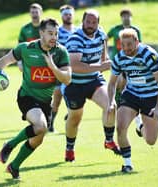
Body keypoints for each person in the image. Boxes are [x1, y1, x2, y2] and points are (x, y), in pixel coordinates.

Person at [0, 18, 71, 179]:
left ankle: (14, 166)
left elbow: (67, 79)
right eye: (50, 33)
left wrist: (52, 66)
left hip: (45, 102)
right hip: (27, 97)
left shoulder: (61, 52)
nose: (54, 37)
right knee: (40, 126)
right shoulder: (26, 48)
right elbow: (5, 60)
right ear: (41, 33)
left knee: (38, 139)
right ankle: (10, 144)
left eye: (56, 34)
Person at [63, 9, 120, 162]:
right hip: (74, 84)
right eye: (88, 21)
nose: (90, 25)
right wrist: (100, 67)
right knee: (75, 119)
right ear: (82, 21)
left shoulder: (101, 33)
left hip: (94, 80)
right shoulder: (75, 39)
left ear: (98, 23)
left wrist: (106, 62)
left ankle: (108, 140)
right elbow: (74, 66)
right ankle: (69, 148)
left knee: (111, 105)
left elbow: (104, 55)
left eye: (94, 22)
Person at [107, 28, 158, 173]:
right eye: (123, 45)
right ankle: (127, 163)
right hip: (132, 95)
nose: (126, 48)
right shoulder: (119, 58)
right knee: (120, 127)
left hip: (151, 97)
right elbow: (111, 83)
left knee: (150, 140)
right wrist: (111, 102)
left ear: (137, 41)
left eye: (129, 44)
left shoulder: (149, 54)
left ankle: (139, 125)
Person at [107, 8, 143, 128]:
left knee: (128, 86)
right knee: (117, 85)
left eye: (128, 16)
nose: (126, 18)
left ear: (131, 17)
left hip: (131, 63)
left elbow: (140, 46)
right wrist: (105, 55)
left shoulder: (136, 30)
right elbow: (105, 39)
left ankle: (130, 111)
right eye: (123, 16)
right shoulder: (115, 29)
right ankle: (118, 107)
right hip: (117, 62)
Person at [49, 4, 77, 132]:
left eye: (70, 14)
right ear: (61, 16)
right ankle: (50, 123)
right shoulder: (57, 32)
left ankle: (72, 115)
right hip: (61, 69)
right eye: (66, 14)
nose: (68, 16)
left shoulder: (78, 31)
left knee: (79, 95)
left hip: (76, 70)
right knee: (57, 98)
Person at [17, 3, 43, 71]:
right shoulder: (25, 29)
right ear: (30, 14)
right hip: (29, 60)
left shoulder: (46, 27)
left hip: (44, 59)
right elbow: (20, 46)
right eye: (32, 12)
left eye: (36, 12)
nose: (34, 14)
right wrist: (19, 61)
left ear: (41, 13)